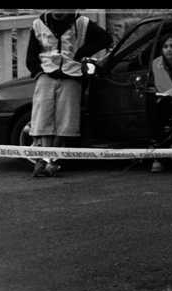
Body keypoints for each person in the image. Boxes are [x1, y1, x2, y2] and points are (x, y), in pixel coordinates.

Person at [25, 10, 112, 178]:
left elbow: (105, 39)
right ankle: (44, 158)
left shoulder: (81, 22)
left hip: (72, 74)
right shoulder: (39, 23)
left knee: (66, 120)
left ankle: (53, 160)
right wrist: (38, 71)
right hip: (47, 74)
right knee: (43, 117)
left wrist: (82, 53)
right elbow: (31, 54)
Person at [149, 34, 172, 173]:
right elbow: (163, 88)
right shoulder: (157, 63)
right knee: (156, 106)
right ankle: (158, 156)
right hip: (168, 99)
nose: (169, 49)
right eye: (165, 47)